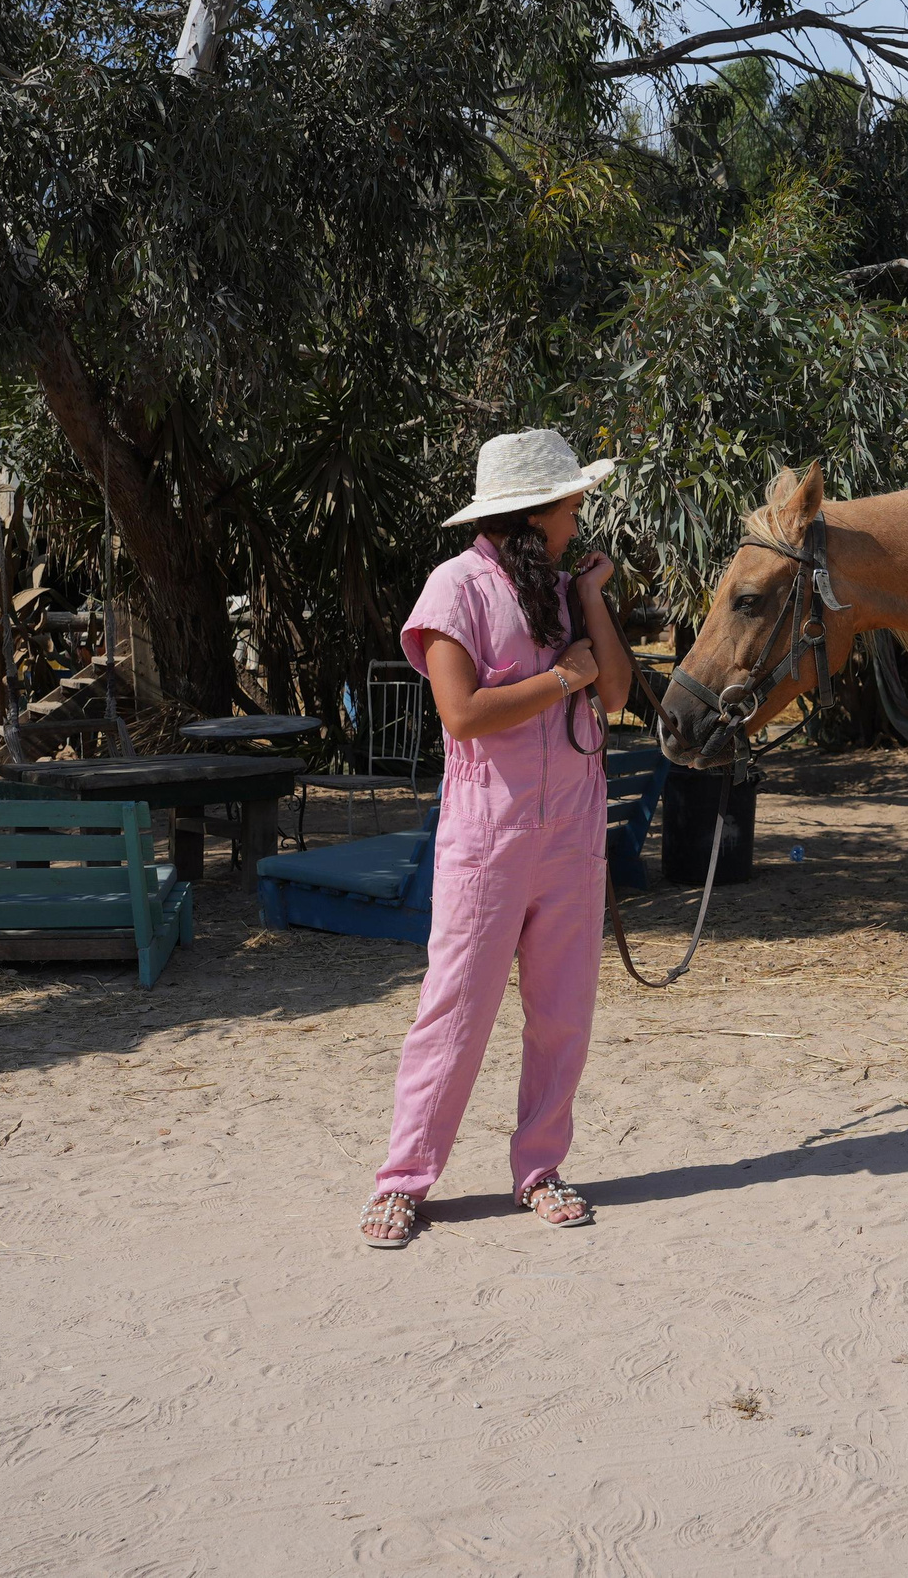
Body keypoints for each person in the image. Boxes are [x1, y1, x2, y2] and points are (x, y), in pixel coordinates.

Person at [362, 428, 633, 1248]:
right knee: (454, 1012)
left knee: (563, 1014)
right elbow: (462, 713)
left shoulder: (561, 589)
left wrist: (590, 598)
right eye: (571, 501)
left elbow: (615, 692)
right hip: (487, 838)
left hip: (572, 832)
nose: (580, 512)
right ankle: (403, 1180)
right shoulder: (456, 589)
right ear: (536, 510)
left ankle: (540, 1169)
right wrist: (560, 679)